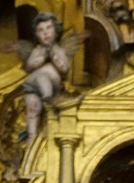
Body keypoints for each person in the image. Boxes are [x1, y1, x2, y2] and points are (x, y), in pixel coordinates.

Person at [5, 12, 86, 143]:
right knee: (32, 110)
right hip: (33, 85)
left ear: (56, 31)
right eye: (40, 30)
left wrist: (54, 56)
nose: (45, 33)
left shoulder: (59, 50)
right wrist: (41, 56)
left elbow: (65, 68)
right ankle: (31, 141)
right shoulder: (37, 50)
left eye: (49, 28)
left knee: (43, 84)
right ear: (36, 35)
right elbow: (30, 66)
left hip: (53, 85)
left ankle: (48, 104)